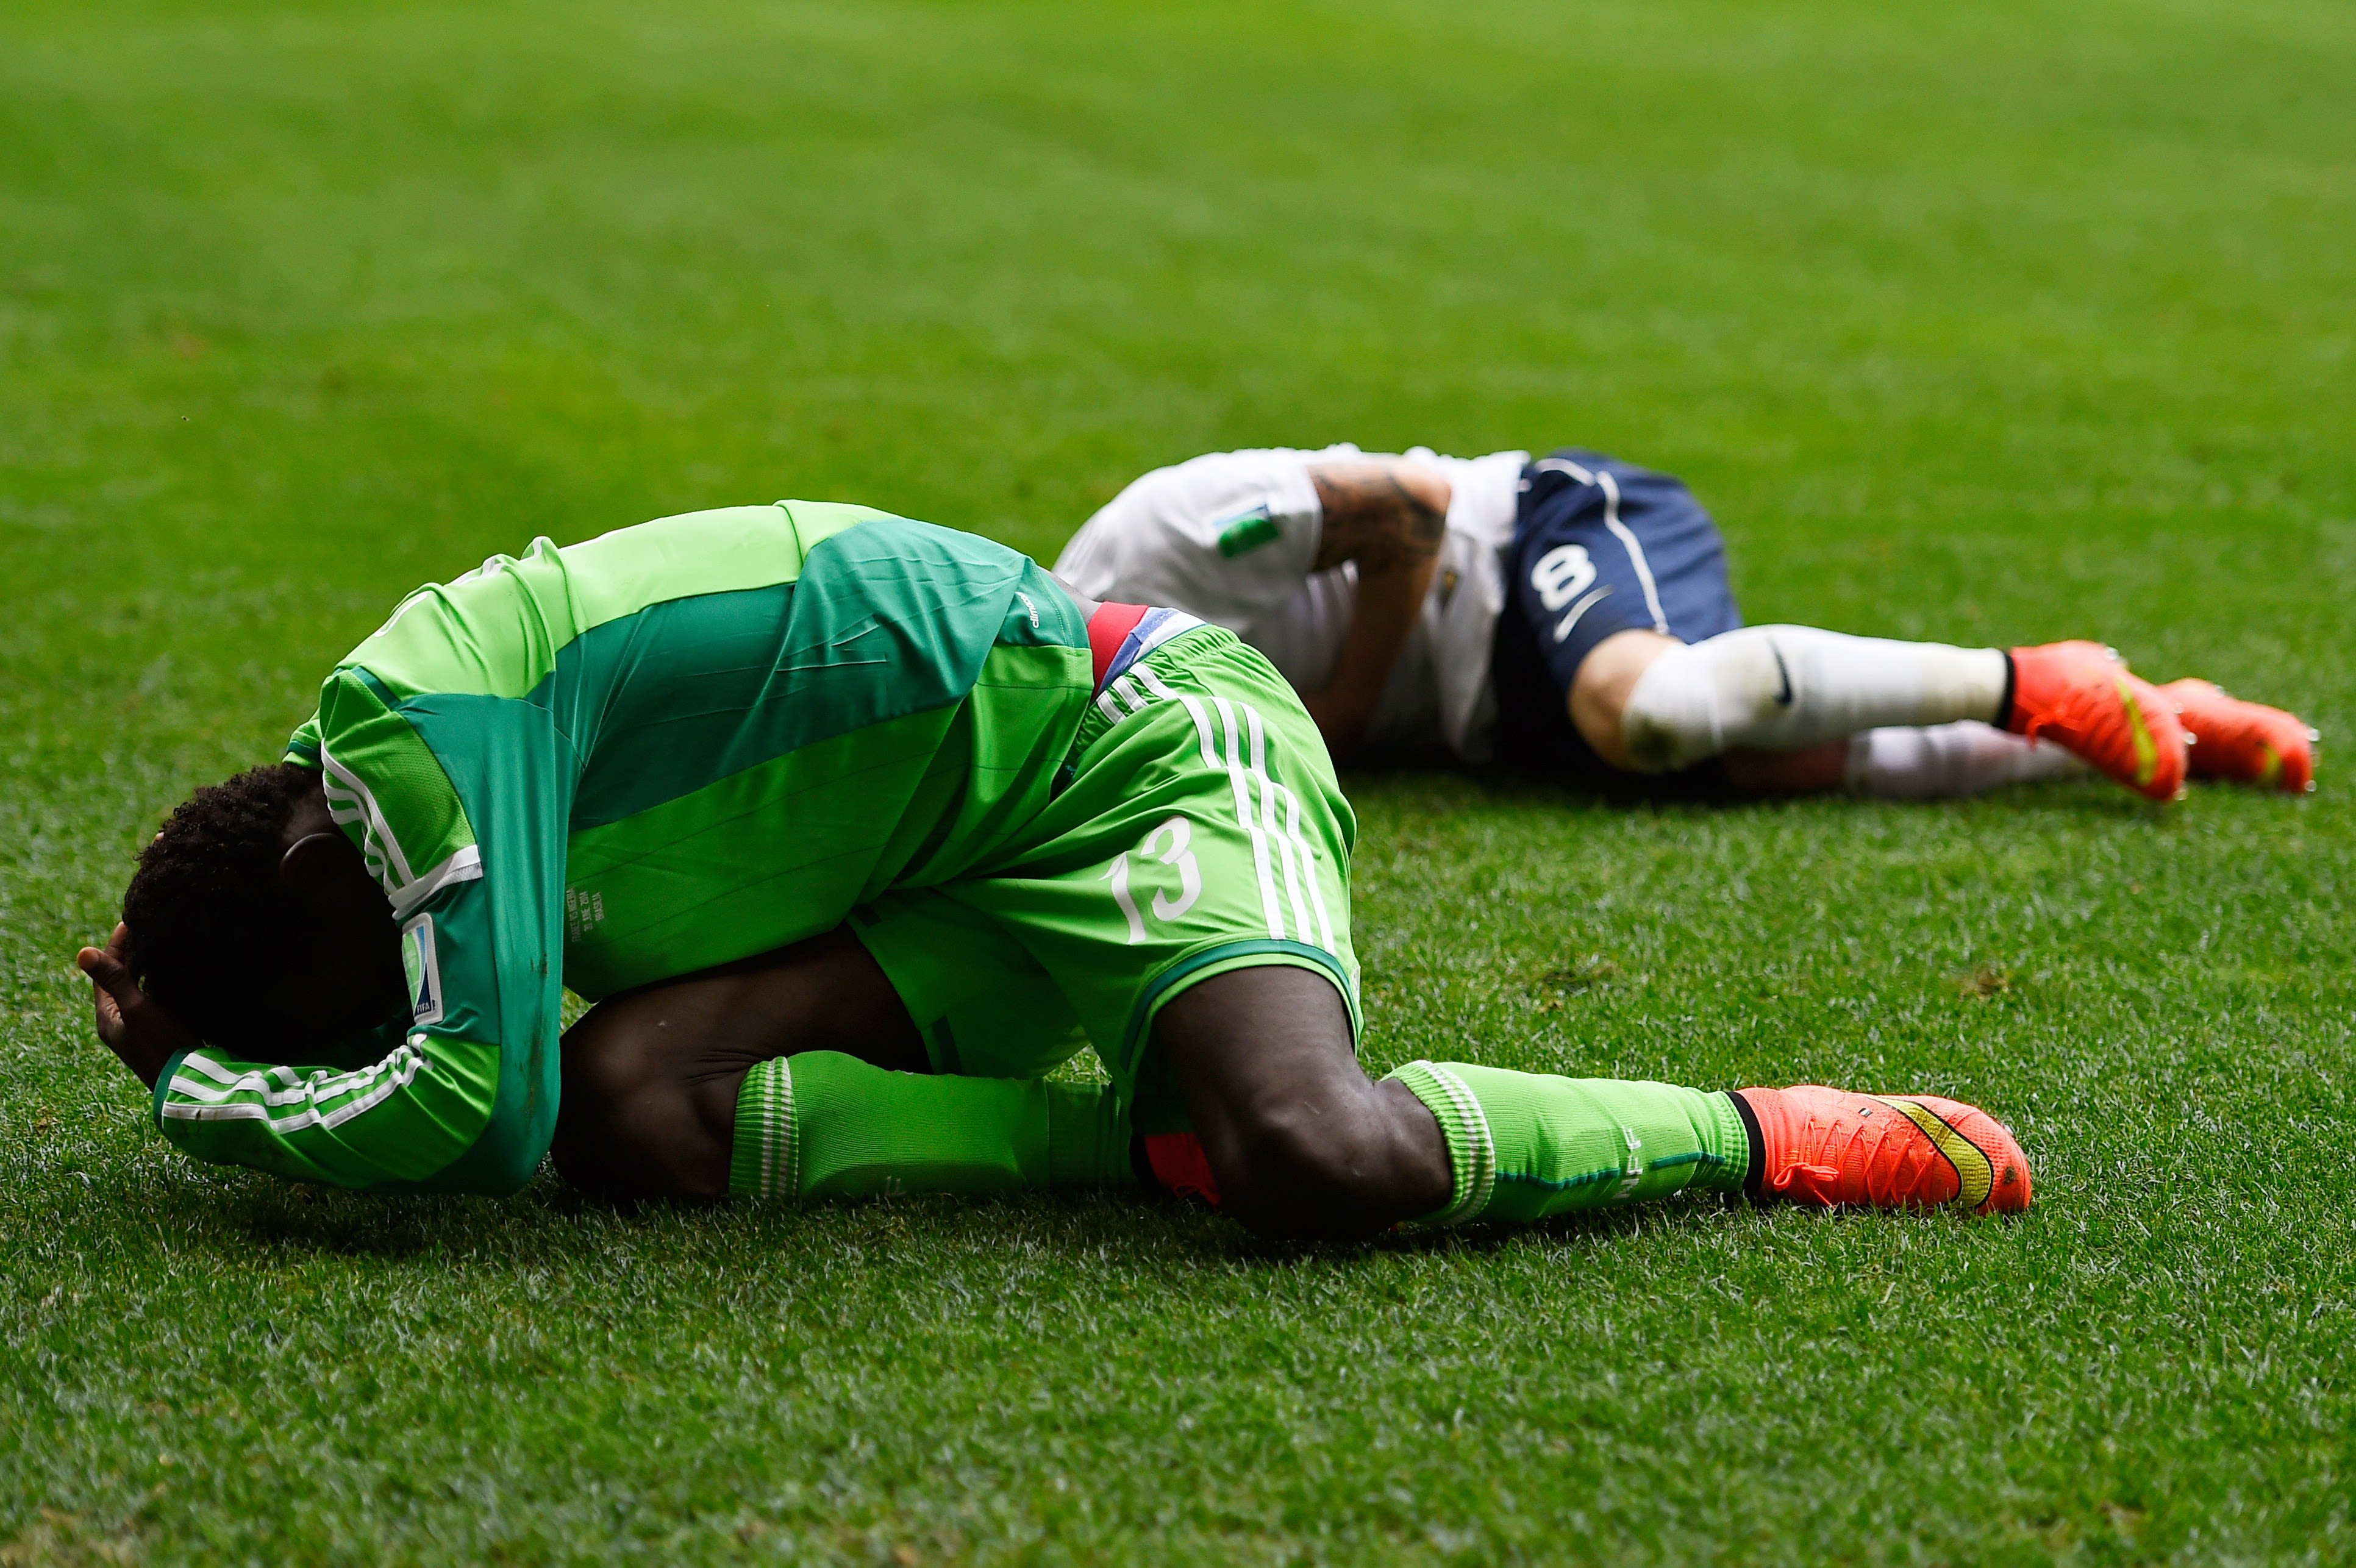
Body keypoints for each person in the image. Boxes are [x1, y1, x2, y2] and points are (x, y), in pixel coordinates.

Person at [77, 502, 2029, 1235]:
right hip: (941, 888)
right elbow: (522, 1098)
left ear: (330, 848)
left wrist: (200, 1084)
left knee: (1317, 1159)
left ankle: (1765, 1127)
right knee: (628, 1104)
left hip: (1140, 746)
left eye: (372, 995)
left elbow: (470, 1108)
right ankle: (1130, 1143)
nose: (426, 992)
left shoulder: (422, 711)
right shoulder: (402, 838)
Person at [1054, 445, 2318, 802]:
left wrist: (1332, 713)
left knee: (1650, 711)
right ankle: (2167, 716)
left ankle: (2031, 675)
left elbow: (1414, 512)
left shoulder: (1152, 539)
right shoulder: (1072, 736)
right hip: (1492, 716)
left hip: (1533, 530)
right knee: (1779, 759)